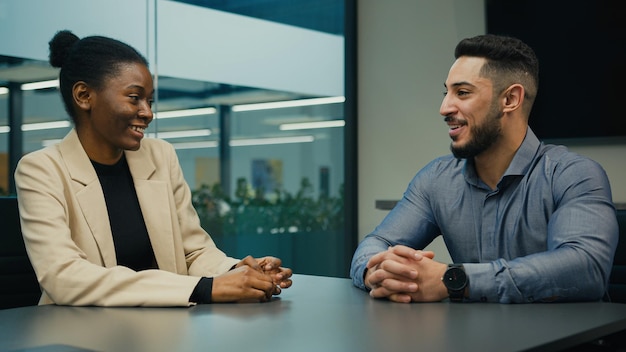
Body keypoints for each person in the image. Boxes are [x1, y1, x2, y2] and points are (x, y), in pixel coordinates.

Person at [14, 30, 292, 307]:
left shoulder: (161, 156)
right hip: (79, 335)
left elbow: (193, 252)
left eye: (150, 101)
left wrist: (238, 273)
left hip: (164, 332)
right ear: (84, 95)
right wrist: (203, 288)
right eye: (134, 98)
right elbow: (64, 277)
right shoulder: (41, 170)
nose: (148, 112)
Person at [350, 34, 619, 304]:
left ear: (510, 99)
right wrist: (376, 271)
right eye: (447, 92)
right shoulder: (436, 180)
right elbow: (374, 244)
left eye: (462, 93)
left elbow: (586, 268)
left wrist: (454, 279)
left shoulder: (573, 175)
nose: (444, 108)